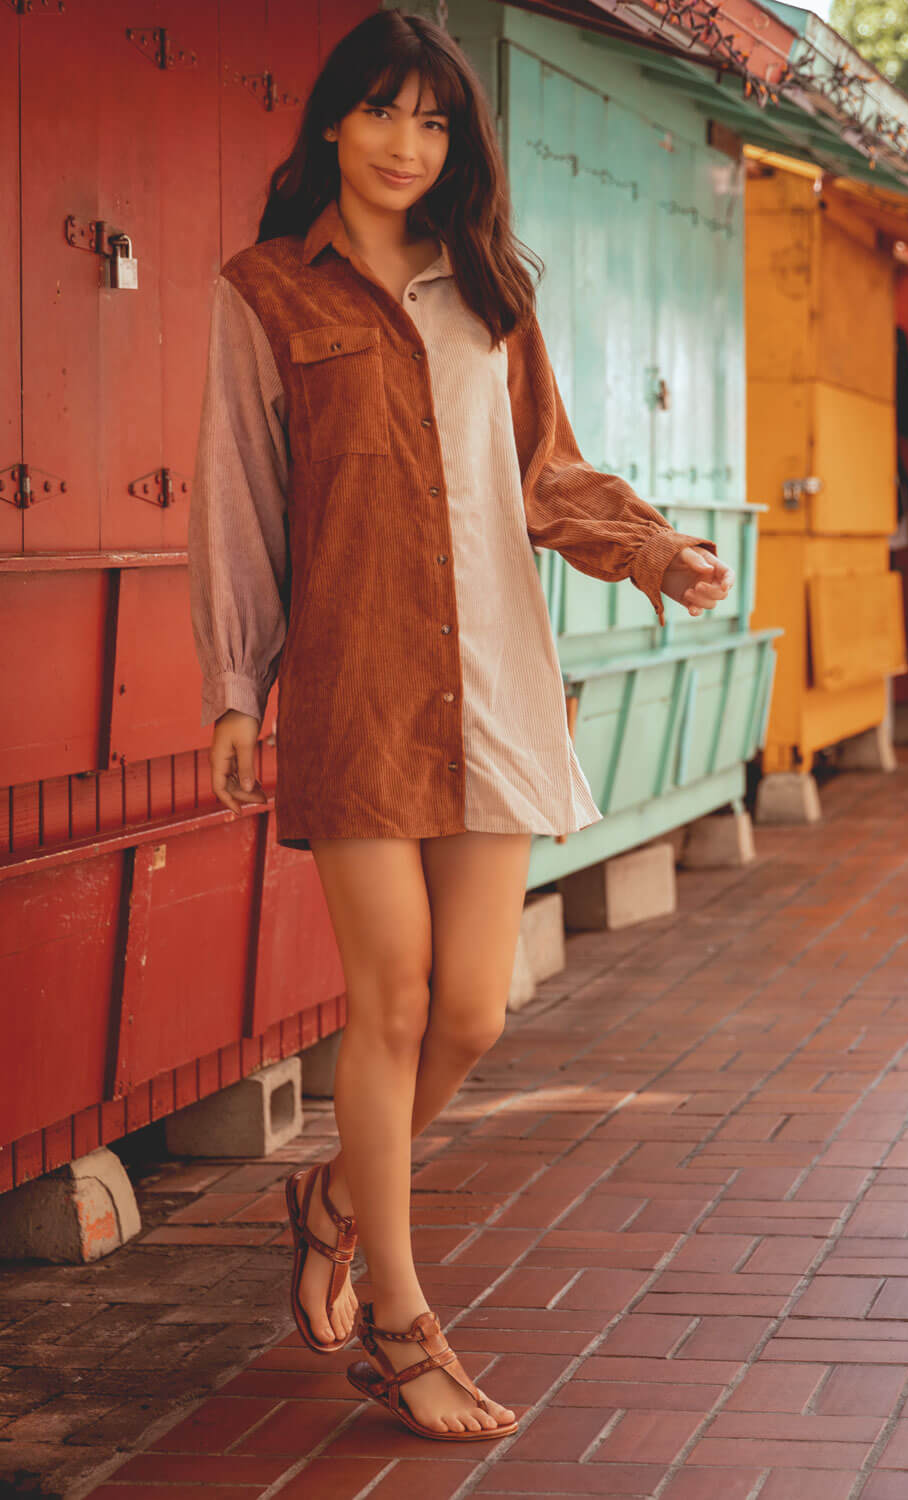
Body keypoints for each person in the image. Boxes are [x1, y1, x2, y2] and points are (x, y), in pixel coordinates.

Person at [187, 10, 733, 1444]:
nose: (405, 144)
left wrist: (655, 551)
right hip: (358, 692)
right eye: (380, 112)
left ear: (458, 146)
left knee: (478, 1010)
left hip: (493, 679)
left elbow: (546, 473)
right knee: (395, 1000)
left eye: (433, 122)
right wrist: (237, 691)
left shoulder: (488, 290)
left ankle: (332, 1197)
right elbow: (239, 508)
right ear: (329, 125)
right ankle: (402, 1323)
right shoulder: (264, 296)